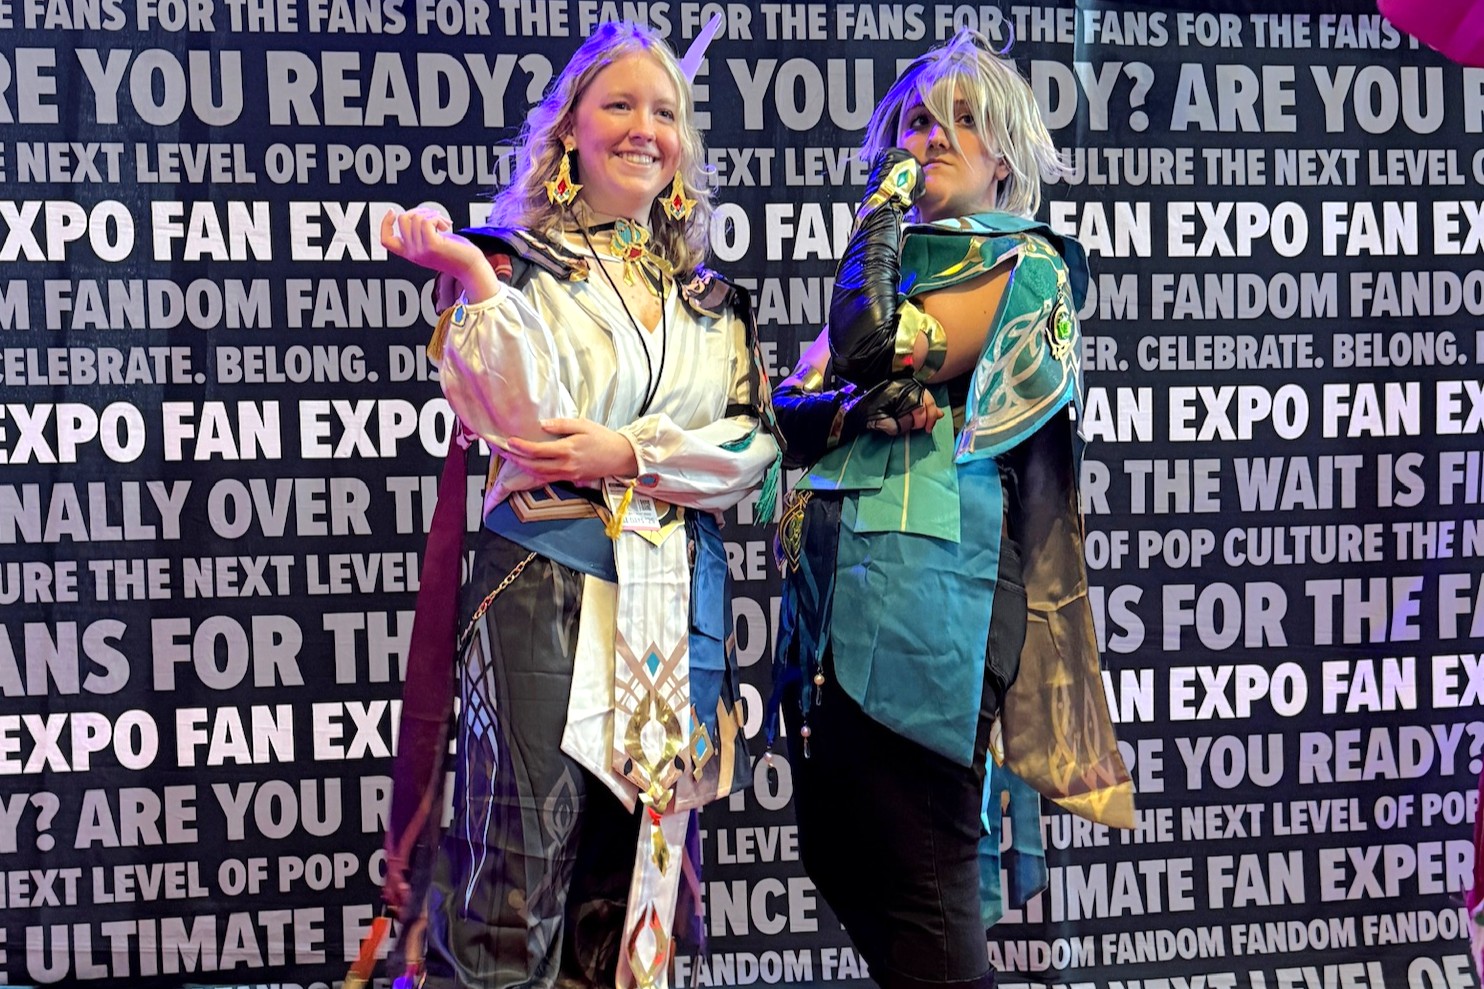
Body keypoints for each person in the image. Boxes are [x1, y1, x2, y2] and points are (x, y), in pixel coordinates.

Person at [375, 21, 780, 989]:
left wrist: (627, 451)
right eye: (619, 105)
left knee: (632, 877)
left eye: (665, 112)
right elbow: (519, 420)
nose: (646, 128)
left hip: (676, 599)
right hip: (547, 578)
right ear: (566, 134)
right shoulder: (513, 267)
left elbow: (750, 452)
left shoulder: (708, 301)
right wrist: (471, 280)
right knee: (515, 870)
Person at [770, 29, 1133, 989]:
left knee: (925, 879)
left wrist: (880, 212)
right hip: (834, 617)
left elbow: (868, 343)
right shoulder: (895, 266)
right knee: (844, 849)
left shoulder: (1025, 264)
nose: (933, 136)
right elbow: (789, 413)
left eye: (964, 122)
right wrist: (849, 403)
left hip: (937, 614)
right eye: (917, 120)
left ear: (1005, 156)